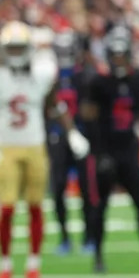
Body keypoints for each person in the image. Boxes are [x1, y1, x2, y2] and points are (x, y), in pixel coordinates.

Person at [0, 22, 91, 278]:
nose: (15, 53)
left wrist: (71, 132)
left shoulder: (43, 73)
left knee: (36, 206)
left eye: (19, 48)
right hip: (6, 146)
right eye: (11, 48)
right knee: (7, 208)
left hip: (35, 144)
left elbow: (56, 105)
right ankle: (5, 265)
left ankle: (33, 265)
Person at [83, 26, 139, 273]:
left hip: (129, 150)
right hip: (106, 150)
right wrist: (98, 153)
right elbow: (89, 118)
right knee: (101, 207)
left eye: (122, 55)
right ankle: (97, 257)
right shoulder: (98, 82)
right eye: (114, 55)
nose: (118, 60)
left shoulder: (138, 78)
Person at [48, 30, 96, 255]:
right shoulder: (50, 77)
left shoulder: (85, 76)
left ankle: (89, 236)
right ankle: (65, 237)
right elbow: (48, 107)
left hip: (82, 136)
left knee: (87, 188)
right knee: (58, 188)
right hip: (58, 137)